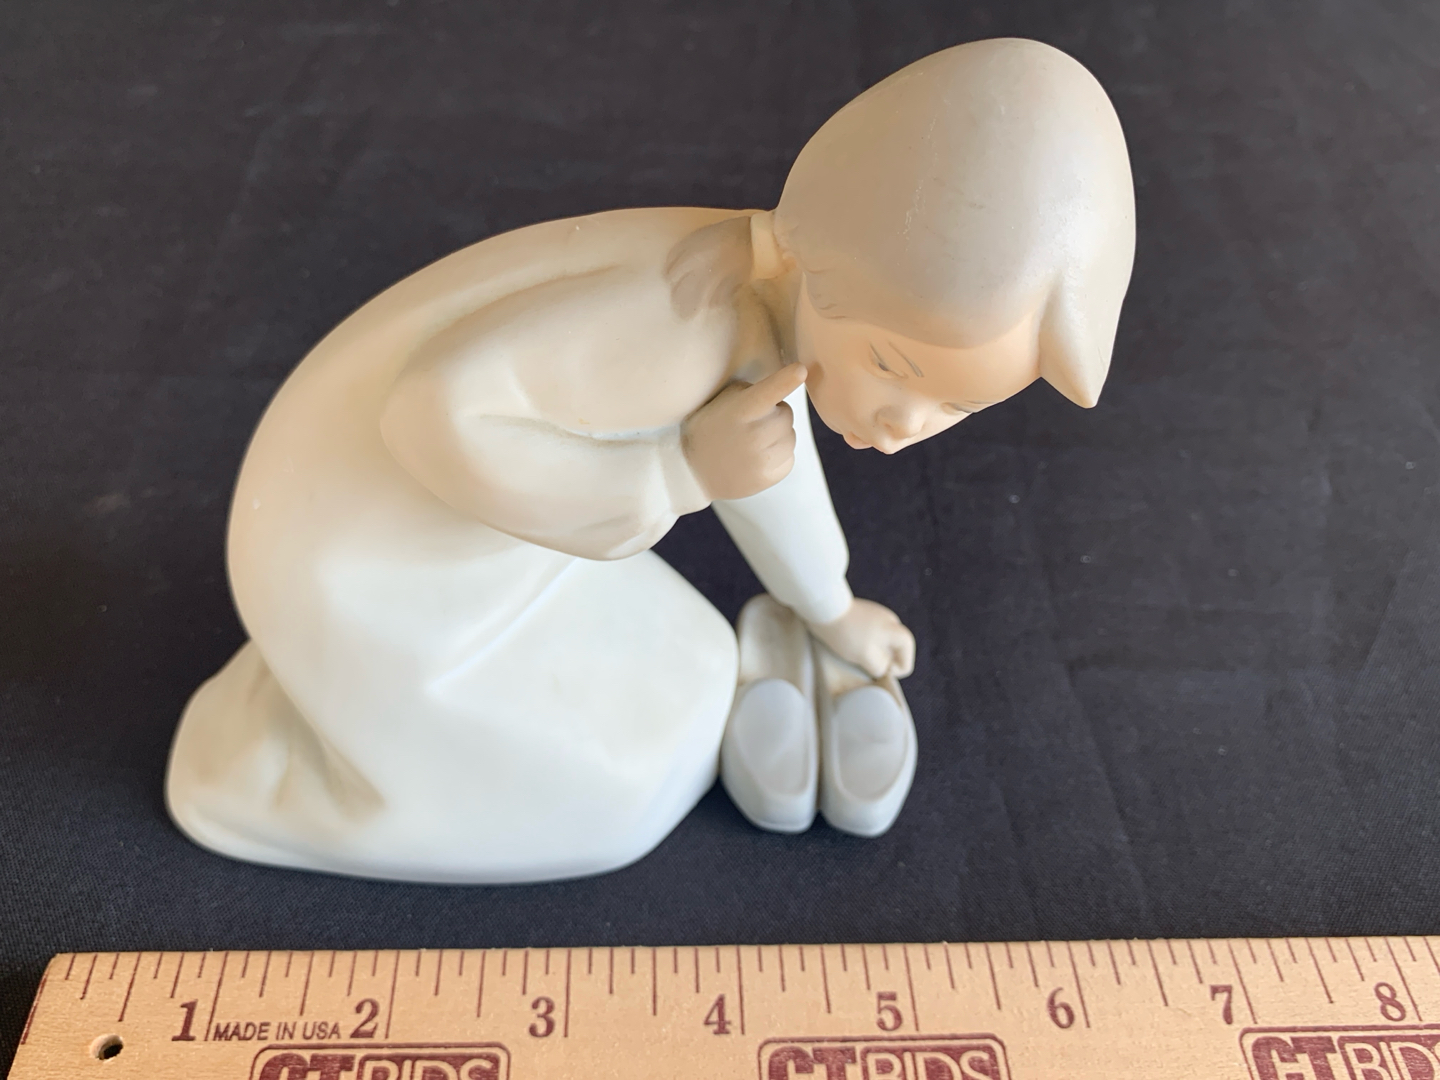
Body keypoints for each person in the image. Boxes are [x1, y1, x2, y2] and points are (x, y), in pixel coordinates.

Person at [165, 37, 1134, 883]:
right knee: (615, 801)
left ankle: (351, 721)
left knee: (699, 671)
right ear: (830, 266)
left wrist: (827, 605)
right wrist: (676, 475)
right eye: (893, 367)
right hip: (365, 582)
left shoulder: (777, 296)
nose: (905, 423)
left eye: (957, 405)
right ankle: (269, 786)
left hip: (490, 546)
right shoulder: (675, 323)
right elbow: (431, 414)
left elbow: (765, 454)